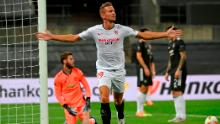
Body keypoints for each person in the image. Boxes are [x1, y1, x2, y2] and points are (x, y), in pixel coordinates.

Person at [36, 2, 182, 124]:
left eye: (114, 11)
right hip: (103, 69)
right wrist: (52, 36)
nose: (114, 13)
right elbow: (73, 37)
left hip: (119, 70)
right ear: (103, 15)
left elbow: (143, 34)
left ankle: (121, 117)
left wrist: (165, 34)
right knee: (104, 96)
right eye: (110, 11)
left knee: (118, 100)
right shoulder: (94, 31)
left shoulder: (122, 29)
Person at [54, 51, 97, 124]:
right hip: (70, 108)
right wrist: (67, 107)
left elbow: (87, 86)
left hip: (82, 105)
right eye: (71, 59)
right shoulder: (58, 78)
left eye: (73, 59)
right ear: (64, 61)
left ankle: (91, 121)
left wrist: (88, 101)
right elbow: (58, 95)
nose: (73, 60)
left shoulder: (77, 72)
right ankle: (91, 121)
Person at [164, 26, 187, 123]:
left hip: (179, 70)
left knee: (177, 91)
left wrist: (178, 70)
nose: (167, 34)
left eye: (169, 32)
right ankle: (179, 115)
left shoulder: (179, 41)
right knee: (174, 92)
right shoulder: (170, 44)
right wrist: (167, 72)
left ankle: (181, 116)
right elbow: (170, 59)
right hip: (173, 70)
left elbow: (183, 56)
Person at [135, 28, 156, 117]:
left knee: (146, 89)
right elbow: (138, 56)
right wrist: (145, 68)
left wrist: (151, 69)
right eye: (148, 33)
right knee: (143, 88)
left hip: (147, 69)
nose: (149, 35)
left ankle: (141, 111)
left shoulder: (147, 45)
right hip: (142, 69)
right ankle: (139, 111)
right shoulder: (141, 43)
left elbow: (151, 60)